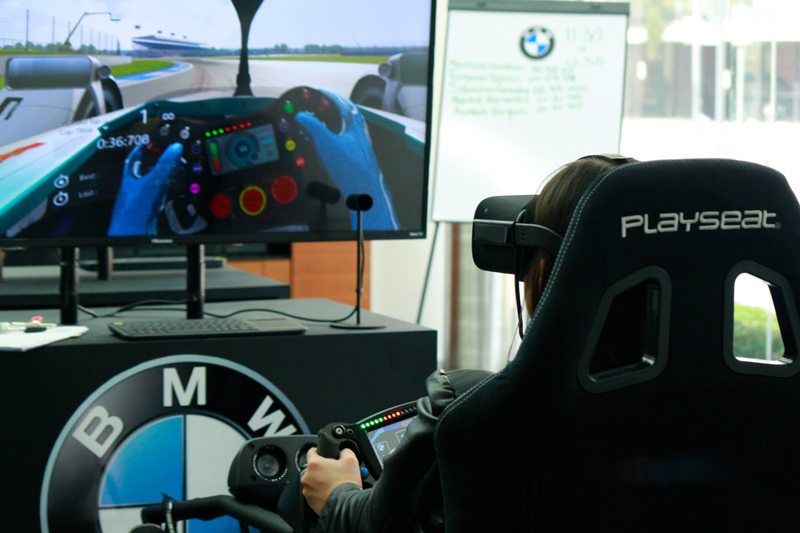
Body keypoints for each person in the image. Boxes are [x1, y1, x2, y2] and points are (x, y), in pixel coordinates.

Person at [300, 156, 624, 532]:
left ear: (540, 270)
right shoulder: (682, 407)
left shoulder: (468, 405)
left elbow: (375, 525)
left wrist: (336, 493)